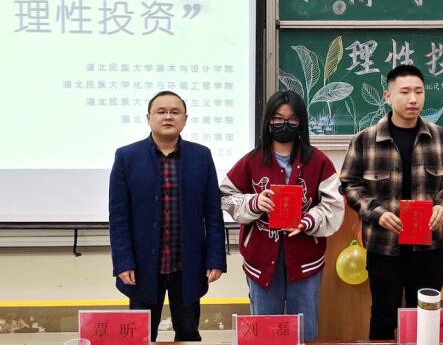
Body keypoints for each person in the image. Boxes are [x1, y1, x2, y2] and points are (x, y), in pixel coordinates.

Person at [340, 64, 443, 340]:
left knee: (426, 316)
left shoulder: (440, 137)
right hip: (384, 246)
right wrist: (376, 212)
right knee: (383, 315)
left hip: (429, 246)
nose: (413, 99)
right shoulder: (365, 140)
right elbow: (349, 184)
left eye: (419, 92)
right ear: (387, 96)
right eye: (405, 92)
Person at [220, 90, 344, 341]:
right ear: (267, 121)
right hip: (261, 260)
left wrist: (308, 221)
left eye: (292, 119)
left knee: (305, 330)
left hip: (305, 259)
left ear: (302, 122)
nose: (284, 125)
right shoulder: (252, 160)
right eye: (277, 119)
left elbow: (334, 205)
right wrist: (255, 202)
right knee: (264, 331)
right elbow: (225, 197)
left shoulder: (318, 161)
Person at [109, 91, 227, 342]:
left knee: (188, 333)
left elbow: (212, 212)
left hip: (188, 264)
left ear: (185, 118)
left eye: (175, 112)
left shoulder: (201, 156)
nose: (168, 117)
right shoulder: (127, 157)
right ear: (148, 118)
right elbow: (118, 217)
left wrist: (216, 258)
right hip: (141, 266)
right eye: (161, 112)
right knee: (140, 336)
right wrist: (123, 261)